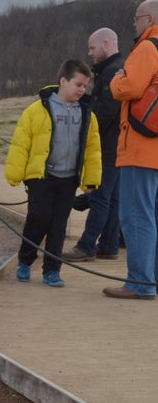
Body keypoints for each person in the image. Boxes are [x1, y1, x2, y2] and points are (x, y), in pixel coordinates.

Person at [5, 58, 101, 287]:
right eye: (78, 84)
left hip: (68, 179)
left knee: (59, 226)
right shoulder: (36, 110)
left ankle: (52, 270)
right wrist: (15, 173)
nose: (82, 90)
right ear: (63, 81)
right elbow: (21, 143)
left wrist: (91, 180)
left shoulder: (87, 113)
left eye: (85, 86)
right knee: (38, 219)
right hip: (42, 177)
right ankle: (25, 261)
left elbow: (92, 149)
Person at [103, 0, 158, 300]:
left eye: (136, 19)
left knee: (137, 215)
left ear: (148, 19)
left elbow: (129, 88)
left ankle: (139, 283)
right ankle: (151, 279)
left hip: (140, 147)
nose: (134, 25)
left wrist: (115, 79)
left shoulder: (148, 48)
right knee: (153, 216)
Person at [63, 28, 123, 261]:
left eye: (92, 48)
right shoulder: (117, 69)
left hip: (106, 146)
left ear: (106, 43)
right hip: (117, 144)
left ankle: (87, 246)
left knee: (99, 197)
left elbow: (106, 111)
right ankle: (108, 244)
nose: (90, 53)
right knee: (112, 198)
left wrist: (85, 133)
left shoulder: (110, 73)